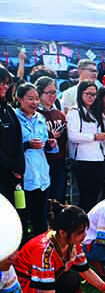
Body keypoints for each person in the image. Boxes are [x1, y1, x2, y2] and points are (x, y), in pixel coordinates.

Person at [15, 83, 55, 238]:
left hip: (42, 173)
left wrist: (50, 144)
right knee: (23, 217)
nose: (34, 103)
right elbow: (10, 146)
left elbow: (44, 144)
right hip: (24, 173)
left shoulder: (41, 118)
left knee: (41, 216)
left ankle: (40, 249)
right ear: (19, 99)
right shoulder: (14, 118)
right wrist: (27, 145)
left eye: (37, 99)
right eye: (30, 99)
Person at [67, 80, 105, 213]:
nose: (91, 97)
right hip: (83, 160)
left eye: (94, 94)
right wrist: (94, 136)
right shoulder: (75, 111)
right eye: (88, 94)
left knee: (95, 196)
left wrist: (103, 136)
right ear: (80, 94)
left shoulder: (92, 111)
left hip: (97, 158)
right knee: (86, 197)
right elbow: (73, 136)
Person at [35, 76, 67, 203]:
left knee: (58, 194)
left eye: (55, 92)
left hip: (59, 160)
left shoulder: (59, 113)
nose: (53, 96)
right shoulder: (36, 113)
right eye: (49, 92)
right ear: (39, 93)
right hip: (41, 160)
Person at [0, 66, 24, 207]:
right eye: (2, 82)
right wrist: (10, 166)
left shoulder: (8, 109)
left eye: (7, 83)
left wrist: (19, 167)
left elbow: (18, 139)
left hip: (12, 172)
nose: (5, 86)